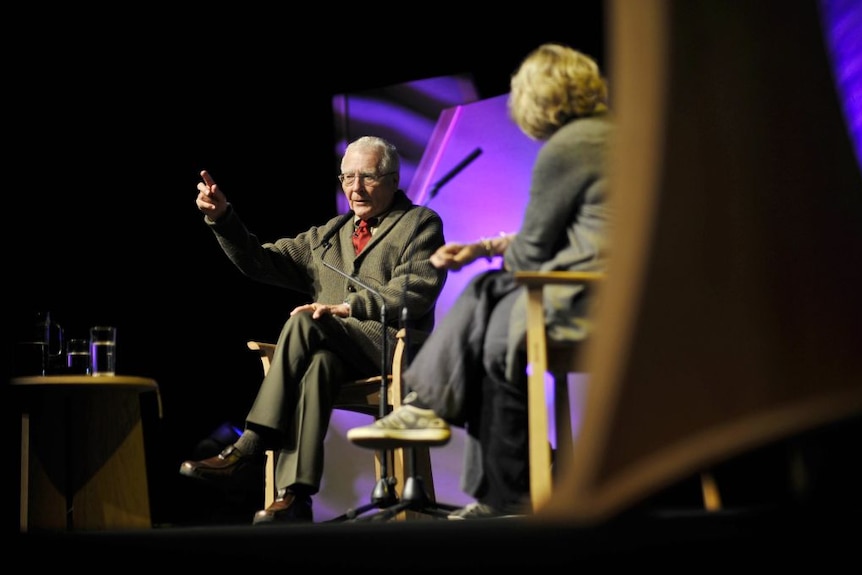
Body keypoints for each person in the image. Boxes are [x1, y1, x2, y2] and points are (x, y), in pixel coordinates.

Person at [347, 43, 612, 519]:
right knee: (489, 340)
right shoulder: (612, 136)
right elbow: (578, 229)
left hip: (588, 300)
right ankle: (500, 494)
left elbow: (533, 250)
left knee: (487, 296)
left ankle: (424, 405)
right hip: (617, 289)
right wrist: (482, 249)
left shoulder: (567, 149)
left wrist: (493, 262)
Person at [180, 135, 447, 524]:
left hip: (387, 346)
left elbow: (414, 293)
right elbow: (260, 262)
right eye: (347, 178)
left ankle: (249, 444)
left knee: (305, 318)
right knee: (318, 364)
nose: (355, 188)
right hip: (337, 352)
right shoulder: (328, 236)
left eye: (368, 178)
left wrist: (348, 306)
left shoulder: (419, 224)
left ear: (392, 179)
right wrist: (223, 218)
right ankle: (296, 497)